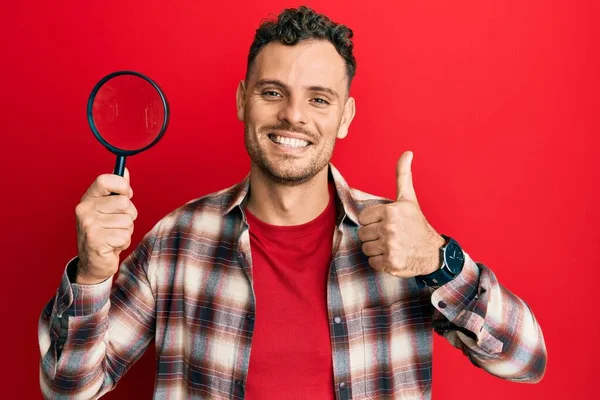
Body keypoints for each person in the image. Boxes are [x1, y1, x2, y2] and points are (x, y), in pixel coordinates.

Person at [38, 6, 547, 400]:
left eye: (319, 99)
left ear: (345, 117)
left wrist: (439, 260)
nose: (294, 116)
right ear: (242, 101)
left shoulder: (402, 241)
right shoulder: (176, 241)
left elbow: (526, 361)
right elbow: (69, 389)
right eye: (273, 92)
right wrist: (93, 272)